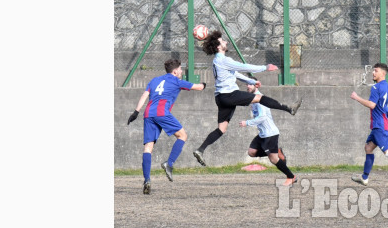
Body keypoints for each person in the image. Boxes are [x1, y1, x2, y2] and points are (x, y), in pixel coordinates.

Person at [193, 30, 302, 167]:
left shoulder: (217, 61)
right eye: (223, 41)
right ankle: (288, 108)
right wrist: (265, 67)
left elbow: (235, 73)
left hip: (220, 97)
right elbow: (244, 66)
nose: (226, 42)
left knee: (221, 129)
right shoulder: (224, 60)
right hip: (229, 95)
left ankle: (200, 150)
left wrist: (250, 81)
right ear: (218, 47)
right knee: (260, 98)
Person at [127, 58, 206, 195]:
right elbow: (198, 87)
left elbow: (144, 96)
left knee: (148, 147)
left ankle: (147, 180)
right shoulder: (176, 81)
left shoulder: (154, 80)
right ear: (175, 71)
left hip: (148, 113)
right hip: (162, 112)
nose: (181, 71)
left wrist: (136, 112)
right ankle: (169, 164)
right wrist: (205, 84)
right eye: (180, 69)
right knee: (183, 136)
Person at [239, 83, 297, 186]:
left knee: (273, 159)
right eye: (247, 84)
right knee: (251, 152)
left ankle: (291, 177)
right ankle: (276, 151)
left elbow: (263, 117)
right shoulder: (254, 98)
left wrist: (247, 123)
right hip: (263, 134)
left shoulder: (260, 100)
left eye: (250, 84)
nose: (248, 86)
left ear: (256, 86)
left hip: (270, 134)